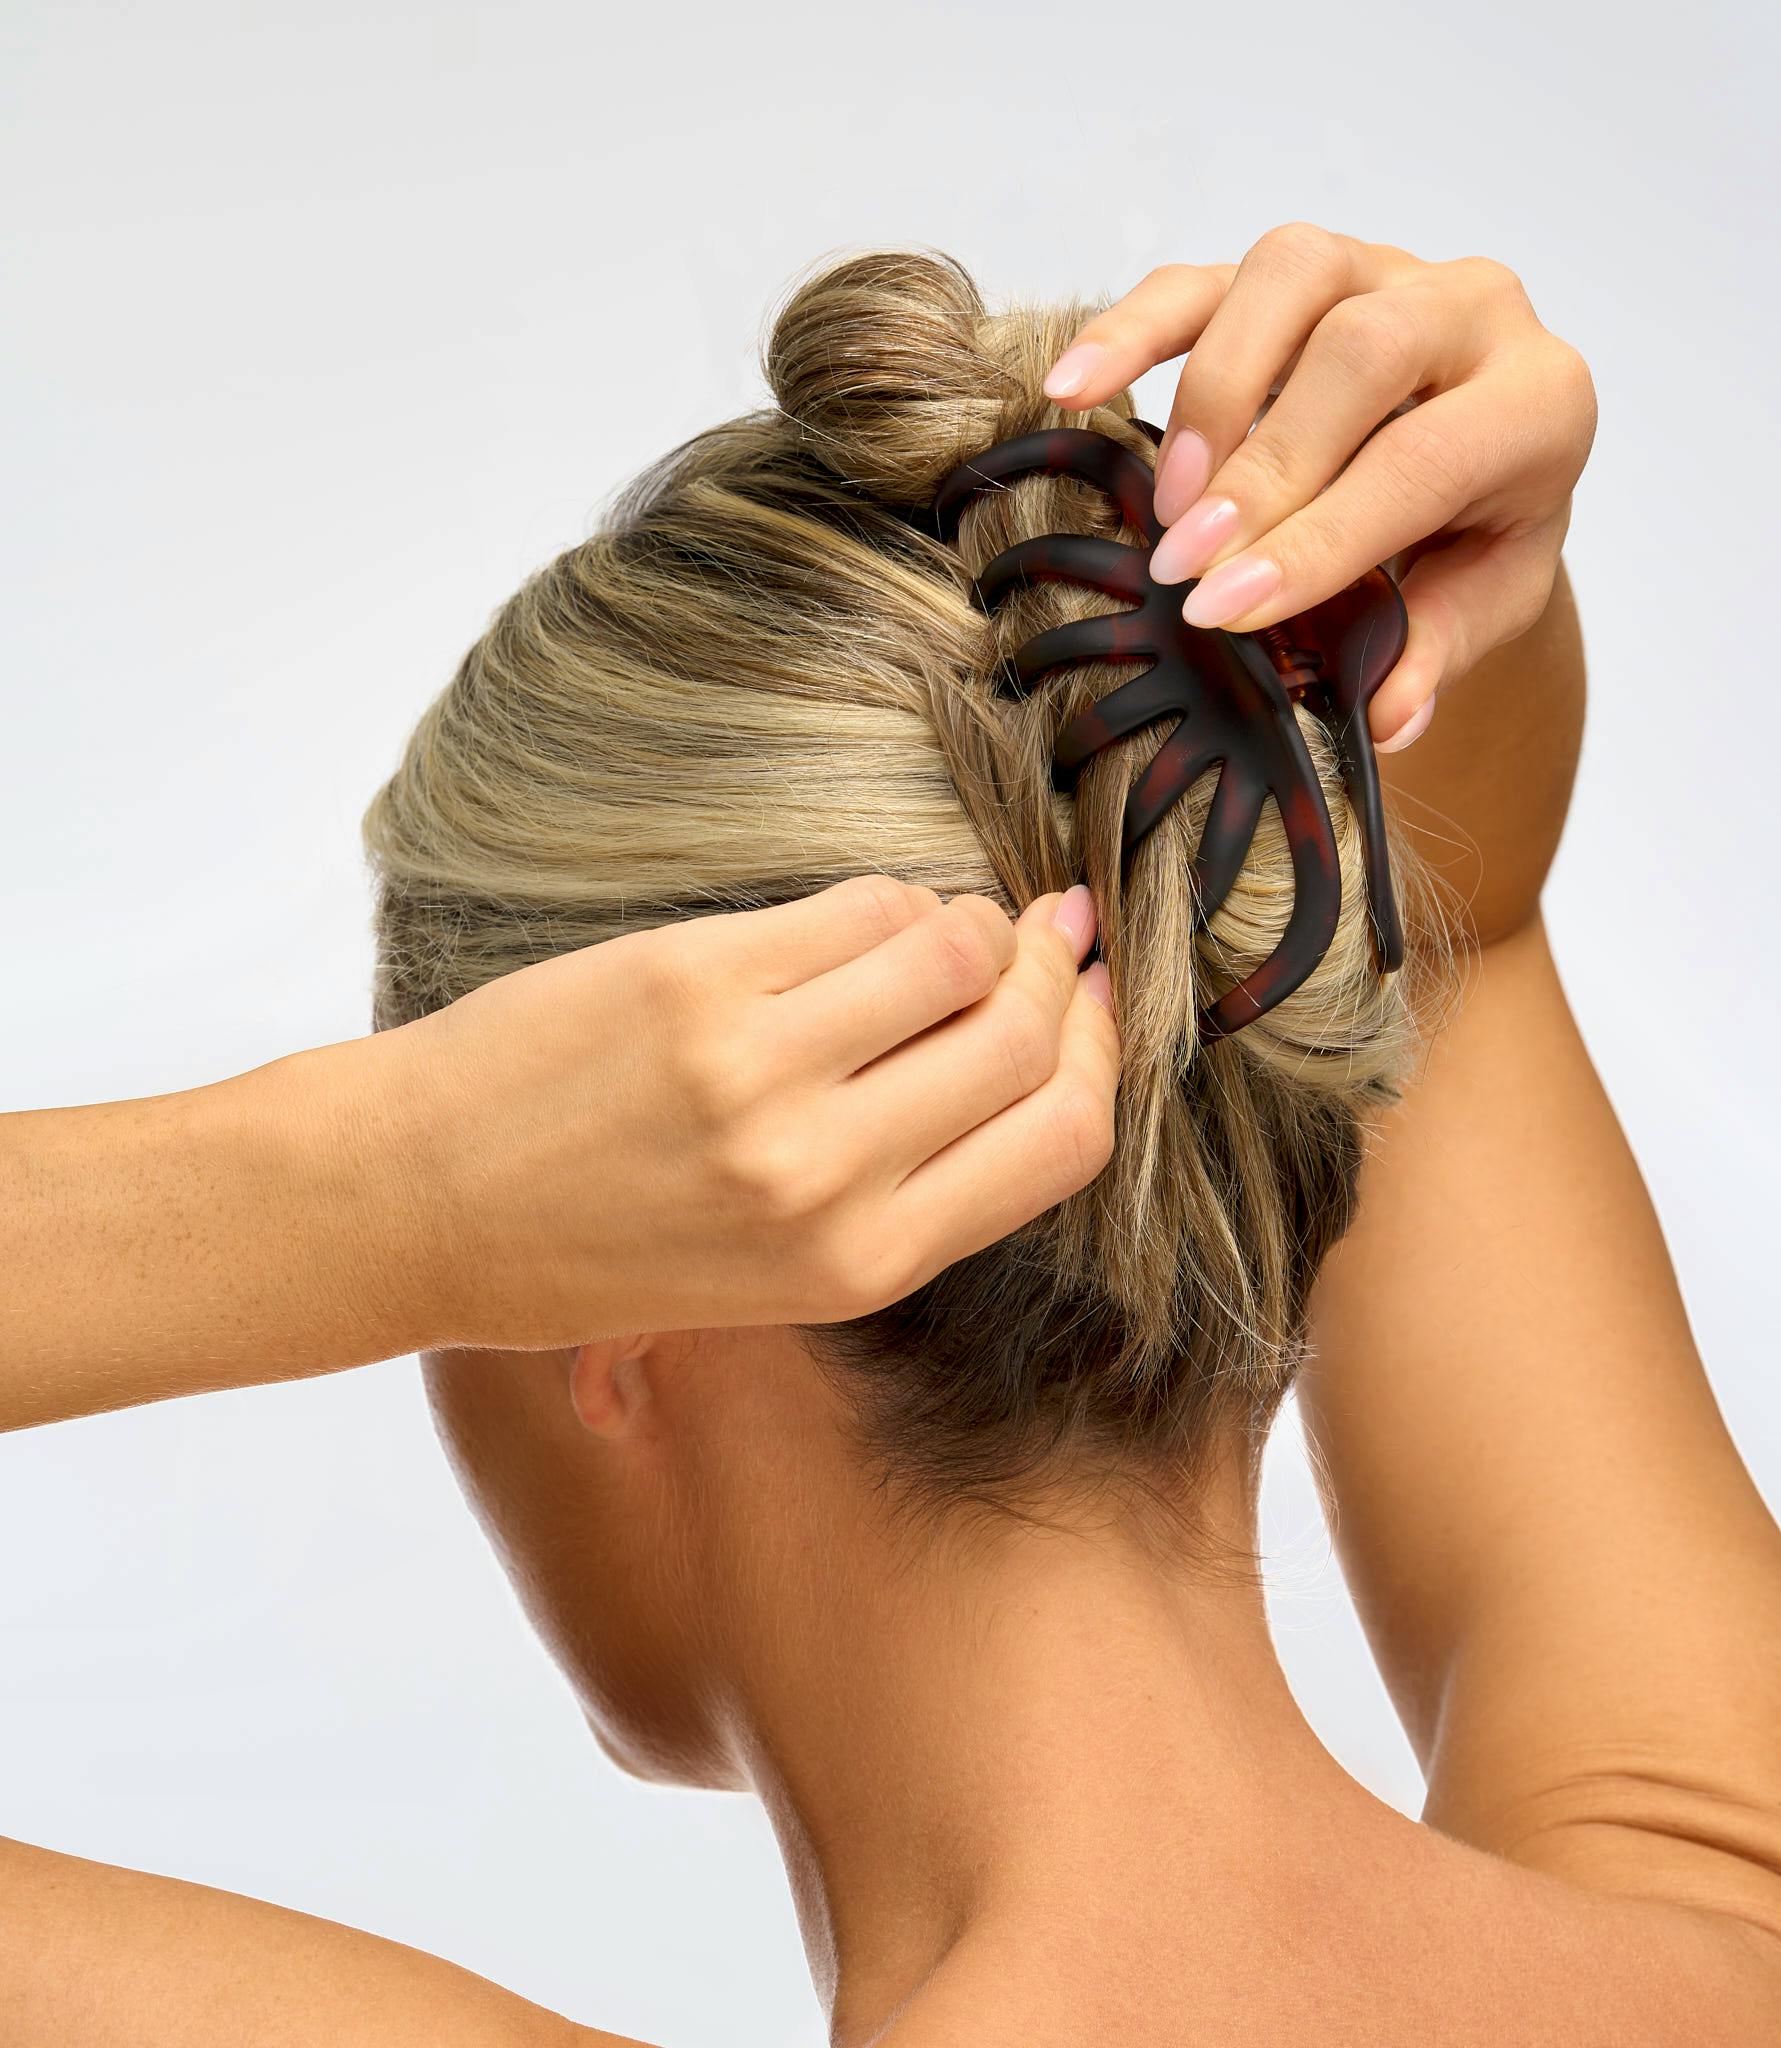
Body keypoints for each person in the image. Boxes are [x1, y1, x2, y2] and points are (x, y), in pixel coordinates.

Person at [4, 227, 1777, 2045]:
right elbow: (1466, 926)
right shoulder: (1731, 1903)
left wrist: (372, 1198)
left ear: (607, 1291)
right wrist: (1356, 592)